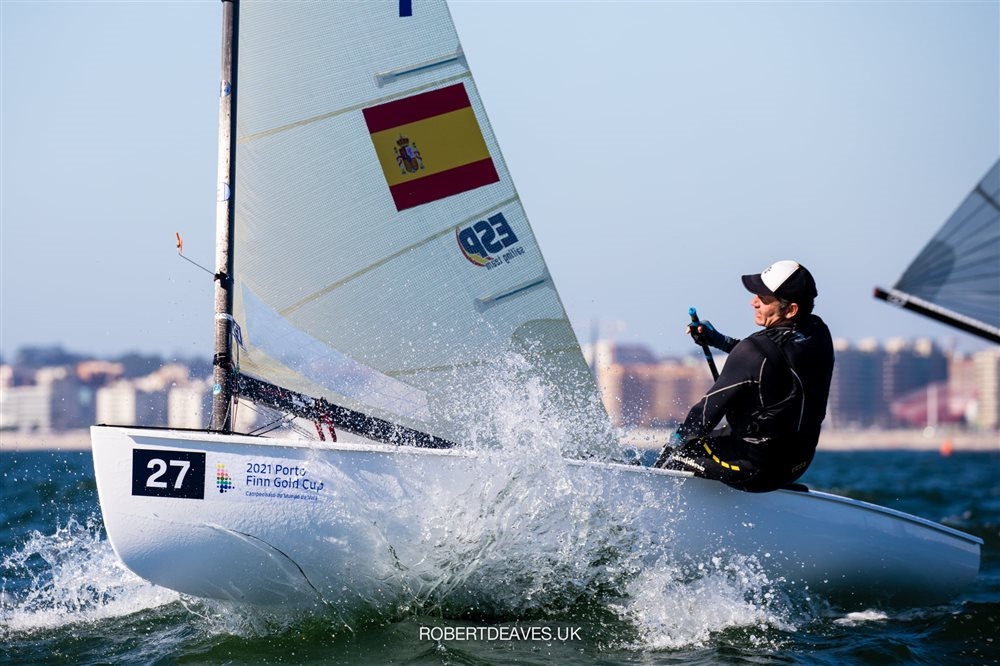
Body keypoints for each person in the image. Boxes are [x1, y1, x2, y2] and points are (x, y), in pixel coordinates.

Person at [655, 260, 835, 492]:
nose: (754, 302)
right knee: (727, 435)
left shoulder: (752, 351)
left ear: (791, 310)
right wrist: (720, 341)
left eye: (764, 298)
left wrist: (671, 450)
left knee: (682, 451)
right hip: (797, 464)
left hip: (757, 471)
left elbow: (702, 417)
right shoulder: (818, 333)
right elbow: (771, 362)